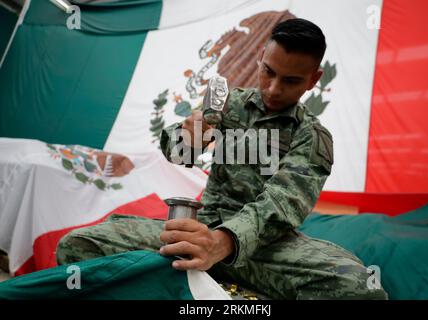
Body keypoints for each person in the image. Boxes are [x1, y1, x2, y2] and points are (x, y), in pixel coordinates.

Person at [56, 18, 388, 299]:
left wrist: (223, 242)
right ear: (260, 58)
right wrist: (187, 137)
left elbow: (282, 204)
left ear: (314, 80)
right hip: (198, 232)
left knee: (357, 286)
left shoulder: (312, 135)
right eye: (268, 72)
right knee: (79, 246)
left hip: (266, 249)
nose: (273, 89)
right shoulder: (227, 105)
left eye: (291, 81)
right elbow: (176, 153)